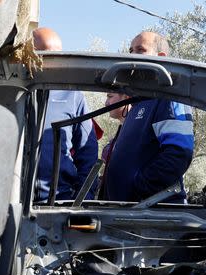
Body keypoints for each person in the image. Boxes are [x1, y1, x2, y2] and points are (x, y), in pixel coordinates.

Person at [103, 32, 194, 203]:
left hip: (151, 216)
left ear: (161, 58)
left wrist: (139, 188)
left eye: (140, 50)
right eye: (130, 51)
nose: (132, 56)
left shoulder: (168, 99)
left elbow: (178, 152)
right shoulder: (140, 104)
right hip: (127, 214)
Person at [30, 27, 98, 202]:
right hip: (10, 200)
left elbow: (87, 152)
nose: (51, 62)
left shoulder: (73, 95)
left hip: (58, 201)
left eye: (56, 56)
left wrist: (84, 199)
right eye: (44, 55)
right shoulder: (7, 93)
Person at [98, 92, 131, 199]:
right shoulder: (123, 129)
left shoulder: (135, 132)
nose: (106, 103)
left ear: (127, 97)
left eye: (110, 96)